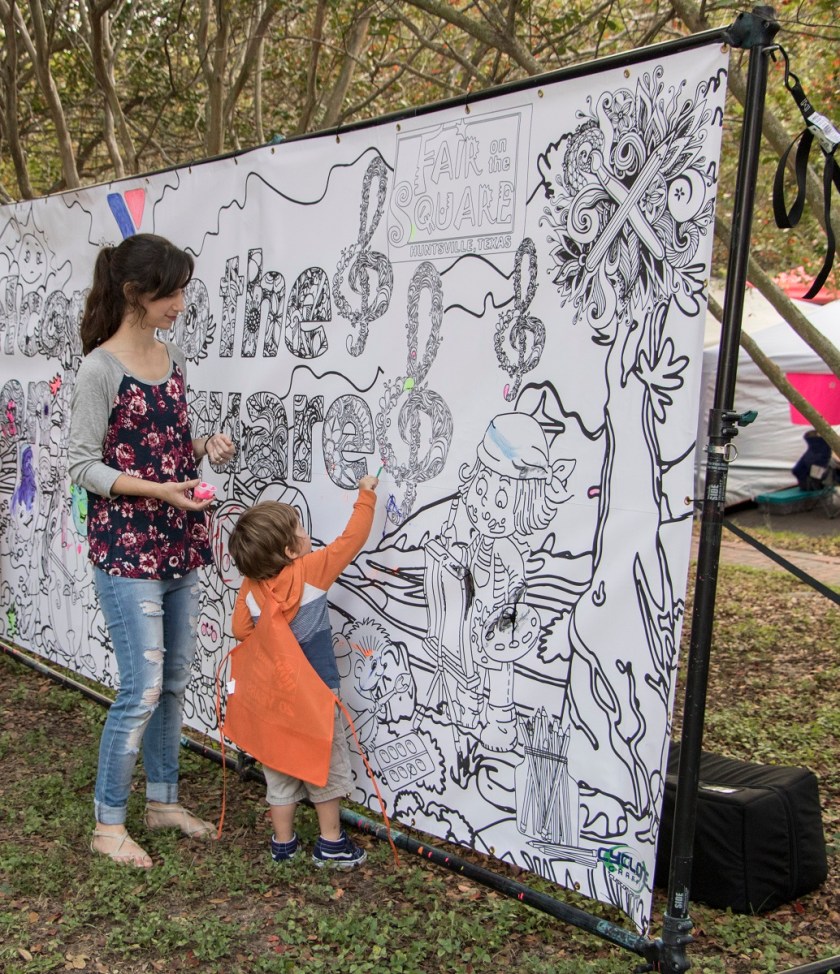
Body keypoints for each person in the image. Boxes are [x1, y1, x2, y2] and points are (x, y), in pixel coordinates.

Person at [68, 233, 235, 869]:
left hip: (179, 543)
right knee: (139, 688)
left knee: (172, 683)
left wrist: (203, 447)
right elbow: (81, 465)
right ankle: (108, 825)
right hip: (126, 552)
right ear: (136, 293)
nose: (181, 303)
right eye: (172, 291)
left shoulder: (172, 358)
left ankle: (163, 803)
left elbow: (164, 446)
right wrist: (156, 489)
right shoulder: (100, 369)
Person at [228, 474, 378, 870]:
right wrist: (366, 495)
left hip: (275, 699)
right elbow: (352, 541)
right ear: (290, 550)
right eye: (300, 528)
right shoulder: (310, 571)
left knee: (278, 769)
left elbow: (240, 630)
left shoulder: (252, 586)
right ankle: (331, 844)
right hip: (315, 695)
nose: (305, 532)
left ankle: (283, 844)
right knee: (323, 765)